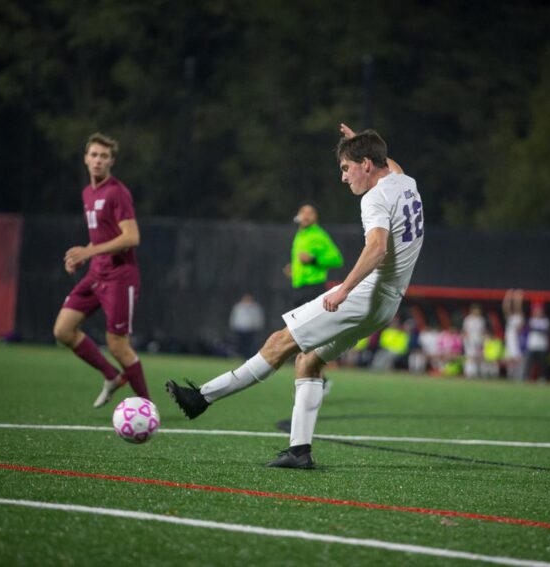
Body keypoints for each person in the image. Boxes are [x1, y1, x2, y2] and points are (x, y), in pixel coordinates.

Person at [166, 123, 423, 469]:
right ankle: (299, 451)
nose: (344, 178)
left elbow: (377, 248)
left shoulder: (374, 198)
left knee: (279, 342)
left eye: (346, 168)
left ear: (365, 163)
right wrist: (356, 144)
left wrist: (343, 289)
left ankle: (201, 398)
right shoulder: (405, 182)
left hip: (366, 294)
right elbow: (389, 164)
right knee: (309, 360)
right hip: (387, 304)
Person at [53, 132, 149, 407]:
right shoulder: (88, 192)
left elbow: (131, 237)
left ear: (111, 161)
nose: (98, 160)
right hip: (96, 273)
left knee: (118, 345)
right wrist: (85, 255)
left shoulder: (117, 192)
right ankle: (111, 377)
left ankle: (146, 406)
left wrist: (89, 251)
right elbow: (103, 236)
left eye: (104, 156)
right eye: (93, 155)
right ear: (86, 159)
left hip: (121, 276)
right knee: (63, 330)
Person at [283, 204, 344, 307]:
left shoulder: (319, 235)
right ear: (298, 216)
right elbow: (302, 261)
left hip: (313, 288)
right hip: (298, 288)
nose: (306, 215)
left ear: (315, 217)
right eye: (303, 212)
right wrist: (294, 270)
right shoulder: (300, 234)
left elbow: (337, 260)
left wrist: (313, 260)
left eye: (310, 213)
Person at [229, 294, 265, 360]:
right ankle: (240, 356)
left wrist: (257, 327)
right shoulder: (238, 306)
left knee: (249, 344)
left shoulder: (255, 307)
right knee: (240, 343)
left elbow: (258, 318)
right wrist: (234, 325)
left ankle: (248, 356)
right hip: (240, 329)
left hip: (251, 329)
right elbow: (234, 317)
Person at [523, 301, 550, 381]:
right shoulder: (531, 320)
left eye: (539, 311)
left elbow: (545, 331)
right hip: (532, 345)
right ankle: (526, 378)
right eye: (537, 311)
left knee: (542, 364)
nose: (538, 313)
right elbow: (528, 328)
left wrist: (535, 329)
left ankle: (542, 378)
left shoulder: (545, 321)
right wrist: (536, 329)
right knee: (529, 364)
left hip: (542, 346)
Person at [502, 289, 525, 380]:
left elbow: (518, 307)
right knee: (509, 359)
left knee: (517, 359)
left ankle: (518, 376)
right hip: (509, 340)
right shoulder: (510, 318)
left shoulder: (519, 317)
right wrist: (508, 297)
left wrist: (518, 298)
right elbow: (505, 308)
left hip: (516, 341)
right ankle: (510, 375)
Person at [462, 304, 486, 378]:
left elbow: (482, 331)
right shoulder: (468, 319)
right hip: (469, 341)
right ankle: (468, 372)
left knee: (477, 357)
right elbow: (465, 330)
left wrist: (482, 340)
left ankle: (475, 373)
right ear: (472, 310)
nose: (478, 311)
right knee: (470, 356)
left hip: (478, 341)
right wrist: (467, 340)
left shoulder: (481, 320)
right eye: (476, 310)